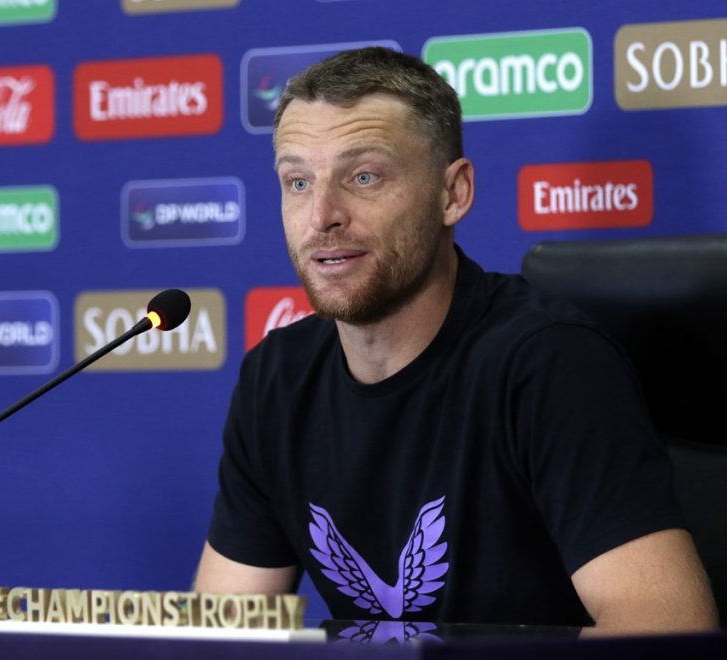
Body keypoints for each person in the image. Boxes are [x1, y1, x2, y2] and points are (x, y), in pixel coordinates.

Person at [194, 47, 718, 633]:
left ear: (454, 194)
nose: (321, 216)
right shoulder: (277, 380)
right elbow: (223, 633)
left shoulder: (549, 364)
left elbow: (666, 632)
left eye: (363, 176)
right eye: (297, 181)